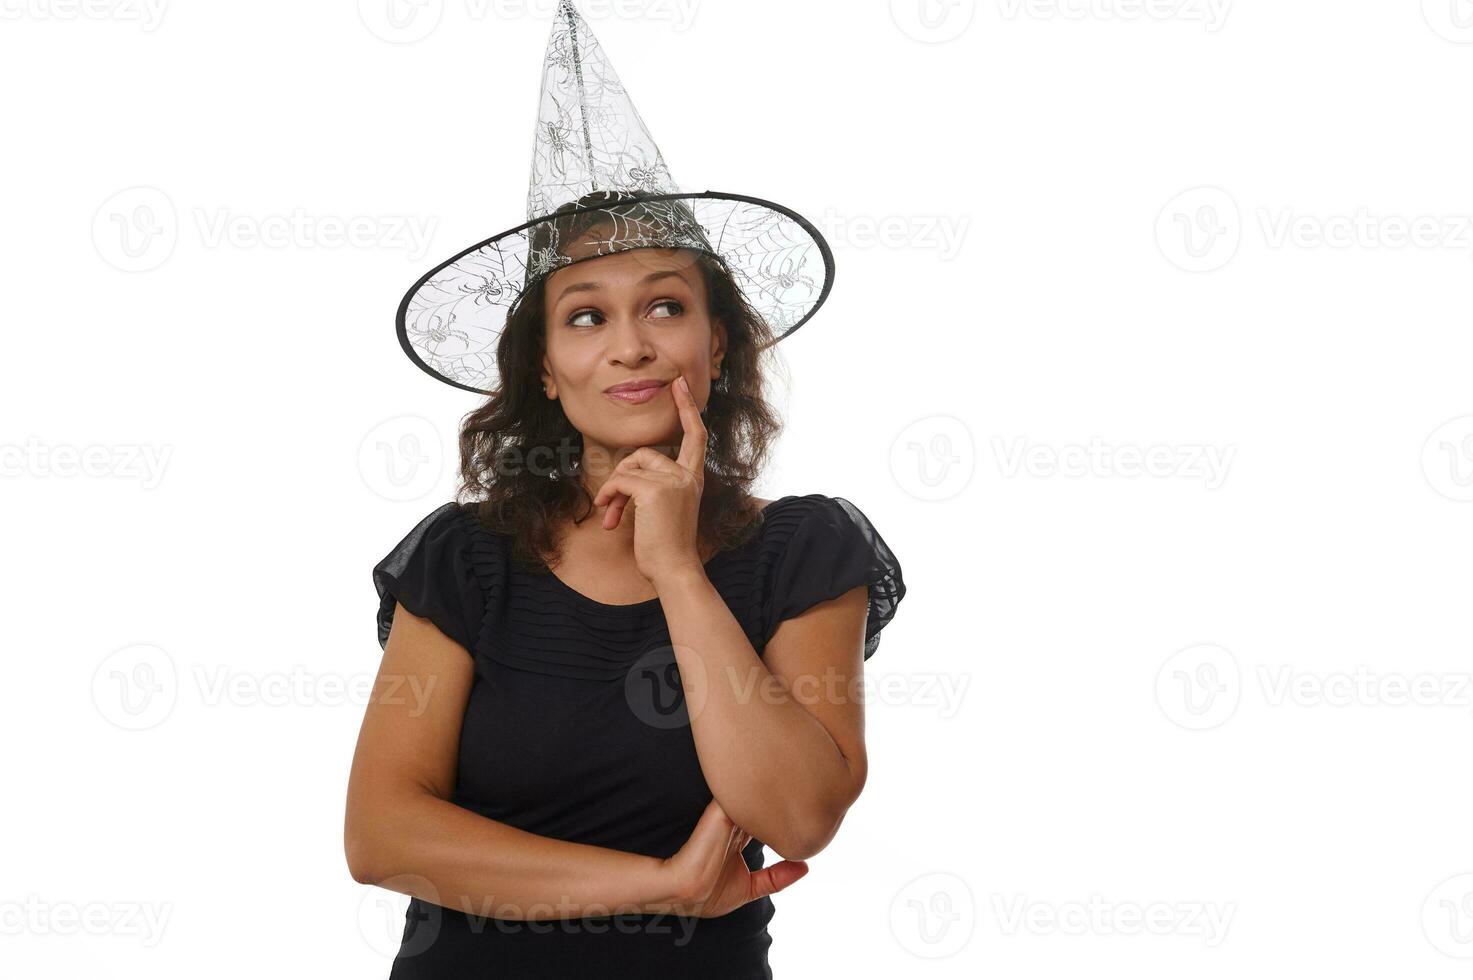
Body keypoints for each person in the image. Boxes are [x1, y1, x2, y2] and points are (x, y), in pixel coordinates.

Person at [345, 4, 906, 977]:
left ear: (717, 340)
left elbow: (799, 812)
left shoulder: (806, 550)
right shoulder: (463, 559)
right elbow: (381, 835)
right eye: (586, 315)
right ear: (547, 369)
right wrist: (659, 882)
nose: (631, 342)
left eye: (664, 304)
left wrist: (679, 568)